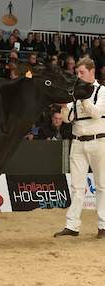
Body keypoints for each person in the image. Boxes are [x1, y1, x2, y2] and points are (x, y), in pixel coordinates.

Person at [54, 57, 105, 239]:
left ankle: (103, 225)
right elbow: (68, 119)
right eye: (77, 73)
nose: (79, 76)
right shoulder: (75, 93)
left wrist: (83, 99)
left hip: (99, 142)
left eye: (82, 72)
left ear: (92, 72)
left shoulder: (102, 91)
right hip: (77, 142)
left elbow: (97, 113)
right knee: (76, 186)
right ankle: (72, 225)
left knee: (102, 185)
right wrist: (64, 108)